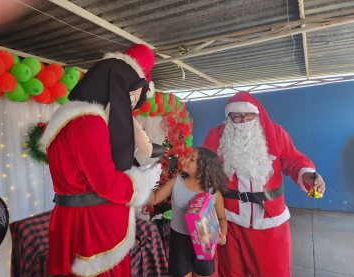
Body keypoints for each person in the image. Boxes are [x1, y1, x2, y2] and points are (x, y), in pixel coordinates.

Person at [41, 44, 162, 277]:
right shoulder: (88, 121)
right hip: (92, 226)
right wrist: (141, 184)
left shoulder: (73, 116)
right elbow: (107, 183)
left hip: (76, 218)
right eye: (132, 99)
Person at [202, 91, 326, 277]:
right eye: (236, 116)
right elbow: (203, 168)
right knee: (230, 272)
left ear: (257, 114)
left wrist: (307, 174)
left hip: (269, 220)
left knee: (273, 272)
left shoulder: (275, 133)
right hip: (230, 219)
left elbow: (294, 160)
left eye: (248, 115)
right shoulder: (215, 136)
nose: (243, 120)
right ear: (229, 117)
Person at [148, 147, 229, 277]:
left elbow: (222, 218)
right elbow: (153, 200)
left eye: (192, 159)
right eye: (189, 157)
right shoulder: (176, 183)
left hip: (204, 242)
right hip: (179, 241)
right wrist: (147, 182)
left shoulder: (214, 193)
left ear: (204, 168)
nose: (185, 160)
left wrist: (222, 236)